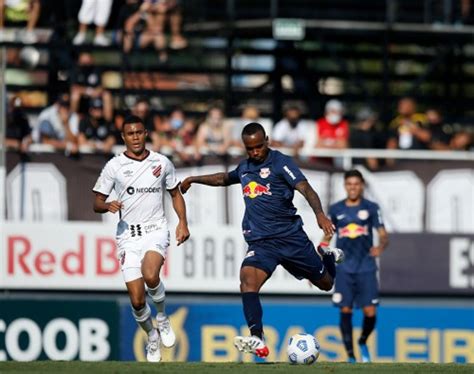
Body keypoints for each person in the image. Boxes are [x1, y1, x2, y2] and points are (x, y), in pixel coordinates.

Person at [180, 122, 344, 358]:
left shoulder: (281, 163)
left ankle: (326, 253)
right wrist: (194, 179)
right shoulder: (245, 167)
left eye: (259, 146)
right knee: (247, 280)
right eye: (250, 148)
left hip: (290, 238)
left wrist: (319, 214)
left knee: (326, 283)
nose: (255, 152)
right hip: (261, 242)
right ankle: (257, 338)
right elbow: (224, 178)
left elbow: (306, 189)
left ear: (266, 139)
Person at [92, 115, 190, 362]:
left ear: (145, 133)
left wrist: (182, 223)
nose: (135, 137)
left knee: (150, 275)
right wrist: (107, 205)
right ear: (123, 137)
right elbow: (96, 202)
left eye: (139, 132)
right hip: (128, 235)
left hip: (155, 229)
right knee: (136, 300)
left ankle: (162, 317)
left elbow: (175, 194)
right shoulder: (114, 166)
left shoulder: (162, 162)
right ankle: (152, 337)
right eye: (130, 134)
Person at [322, 170, 388, 363]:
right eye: (349, 184)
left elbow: (383, 234)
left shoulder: (372, 208)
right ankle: (351, 356)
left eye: (356, 184)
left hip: (366, 266)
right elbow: (327, 237)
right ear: (345, 186)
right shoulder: (335, 209)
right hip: (343, 268)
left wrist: (381, 246)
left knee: (370, 312)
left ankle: (362, 340)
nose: (353, 187)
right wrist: (319, 263)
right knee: (345, 310)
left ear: (362, 186)